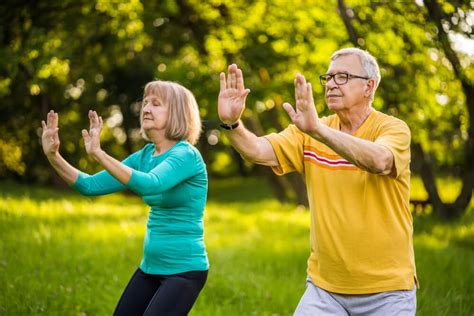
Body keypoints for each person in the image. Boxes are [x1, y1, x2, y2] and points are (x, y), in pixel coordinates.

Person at [218, 47, 417, 315]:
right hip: (325, 289)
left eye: (343, 77)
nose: (332, 84)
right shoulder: (309, 130)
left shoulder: (392, 128)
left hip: (388, 291)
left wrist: (319, 131)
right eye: (329, 77)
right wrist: (233, 124)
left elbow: (380, 161)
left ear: (369, 86)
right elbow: (257, 150)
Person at [41, 80, 209, 315]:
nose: (146, 108)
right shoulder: (145, 155)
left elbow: (151, 184)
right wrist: (53, 156)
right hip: (150, 268)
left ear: (178, 113)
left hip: (184, 271)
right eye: (146, 102)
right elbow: (89, 186)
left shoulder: (186, 155)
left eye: (156, 104)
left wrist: (99, 154)